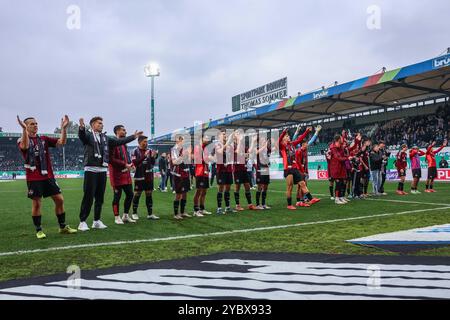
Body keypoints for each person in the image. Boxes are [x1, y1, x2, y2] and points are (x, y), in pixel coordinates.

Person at [17, 115, 77, 239]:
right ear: (26, 126)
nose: (35, 125)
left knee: (60, 200)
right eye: (32, 124)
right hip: (34, 177)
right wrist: (23, 130)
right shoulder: (21, 139)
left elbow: (62, 142)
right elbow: (25, 146)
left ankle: (62, 227)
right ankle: (39, 230)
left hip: (48, 176)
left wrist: (63, 128)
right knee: (37, 204)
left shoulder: (43, 139)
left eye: (36, 123)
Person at [77, 117, 142, 232]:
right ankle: (82, 222)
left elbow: (119, 141)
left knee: (99, 198)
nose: (102, 125)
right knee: (88, 197)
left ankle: (96, 221)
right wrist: (81, 128)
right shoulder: (88, 135)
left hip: (102, 170)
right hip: (91, 169)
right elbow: (82, 136)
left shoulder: (105, 138)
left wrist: (133, 137)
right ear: (92, 125)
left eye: (102, 123)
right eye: (99, 123)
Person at [278, 126, 312, 210]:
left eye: (288, 136)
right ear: (283, 139)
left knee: (302, 183)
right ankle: (289, 204)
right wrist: (283, 133)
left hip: (294, 168)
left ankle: (311, 199)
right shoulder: (282, 146)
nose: (288, 137)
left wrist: (307, 131)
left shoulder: (292, 144)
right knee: (290, 187)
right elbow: (278, 140)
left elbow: (300, 139)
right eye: (287, 136)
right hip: (288, 168)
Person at [109, 125, 135, 225]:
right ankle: (116, 217)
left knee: (130, 194)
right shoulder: (113, 143)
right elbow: (111, 160)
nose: (125, 131)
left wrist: (131, 165)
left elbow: (127, 159)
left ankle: (125, 215)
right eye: (123, 130)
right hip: (117, 175)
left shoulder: (124, 145)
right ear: (117, 131)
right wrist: (124, 164)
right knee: (117, 196)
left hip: (126, 175)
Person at [131, 136, 160, 221]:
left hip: (149, 176)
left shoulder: (150, 150)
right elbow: (135, 163)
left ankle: (150, 214)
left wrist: (153, 157)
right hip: (139, 176)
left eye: (147, 141)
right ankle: (134, 213)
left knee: (149, 194)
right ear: (139, 142)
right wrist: (144, 156)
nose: (146, 143)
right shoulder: (134, 151)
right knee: (137, 194)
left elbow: (152, 163)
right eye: (144, 141)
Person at [232, 131, 257, 211]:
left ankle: (250, 204)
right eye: (237, 134)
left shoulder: (242, 144)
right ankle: (237, 205)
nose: (239, 135)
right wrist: (239, 141)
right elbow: (237, 151)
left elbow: (248, 152)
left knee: (247, 186)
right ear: (234, 136)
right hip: (237, 169)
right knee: (237, 187)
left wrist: (253, 142)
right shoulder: (232, 145)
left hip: (244, 168)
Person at [295, 139, 321, 207]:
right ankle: (302, 200)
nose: (307, 144)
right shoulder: (299, 151)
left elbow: (305, 163)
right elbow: (298, 163)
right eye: (306, 143)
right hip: (299, 171)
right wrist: (303, 172)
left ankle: (299, 201)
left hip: (303, 170)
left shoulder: (305, 151)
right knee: (302, 185)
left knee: (301, 186)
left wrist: (306, 171)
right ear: (303, 144)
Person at [171, 135, 192, 220]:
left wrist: (189, 155)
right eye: (183, 140)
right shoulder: (174, 149)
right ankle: (176, 214)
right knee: (178, 194)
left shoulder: (185, 149)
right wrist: (183, 155)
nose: (184, 141)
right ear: (178, 140)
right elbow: (175, 162)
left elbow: (188, 161)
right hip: (178, 175)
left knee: (185, 193)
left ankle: (183, 212)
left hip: (186, 174)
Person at [215, 131, 236, 214]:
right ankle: (219, 208)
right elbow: (220, 152)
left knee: (228, 188)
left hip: (228, 170)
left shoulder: (229, 146)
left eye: (225, 134)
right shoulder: (217, 145)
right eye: (223, 134)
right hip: (221, 170)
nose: (225, 135)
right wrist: (227, 143)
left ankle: (227, 207)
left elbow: (232, 155)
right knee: (220, 188)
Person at [193, 135, 213, 217]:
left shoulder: (206, 148)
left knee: (204, 191)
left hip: (205, 172)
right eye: (206, 138)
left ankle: (202, 209)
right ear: (201, 139)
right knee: (198, 191)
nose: (208, 139)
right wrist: (208, 158)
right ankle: (196, 210)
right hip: (199, 172)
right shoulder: (198, 147)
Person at [329, 135, 353, 205]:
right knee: (338, 183)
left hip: (341, 167)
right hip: (335, 168)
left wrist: (348, 157)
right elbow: (338, 158)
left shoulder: (340, 147)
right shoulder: (333, 148)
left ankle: (341, 196)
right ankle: (336, 198)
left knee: (342, 183)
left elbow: (343, 156)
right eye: (341, 138)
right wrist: (347, 158)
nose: (342, 139)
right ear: (338, 139)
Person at [251, 134, 271, 210]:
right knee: (260, 187)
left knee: (265, 187)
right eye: (262, 140)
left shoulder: (267, 149)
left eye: (264, 140)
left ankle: (263, 204)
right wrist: (264, 146)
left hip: (266, 169)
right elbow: (256, 153)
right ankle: (257, 204)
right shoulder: (257, 148)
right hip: (260, 169)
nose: (264, 141)